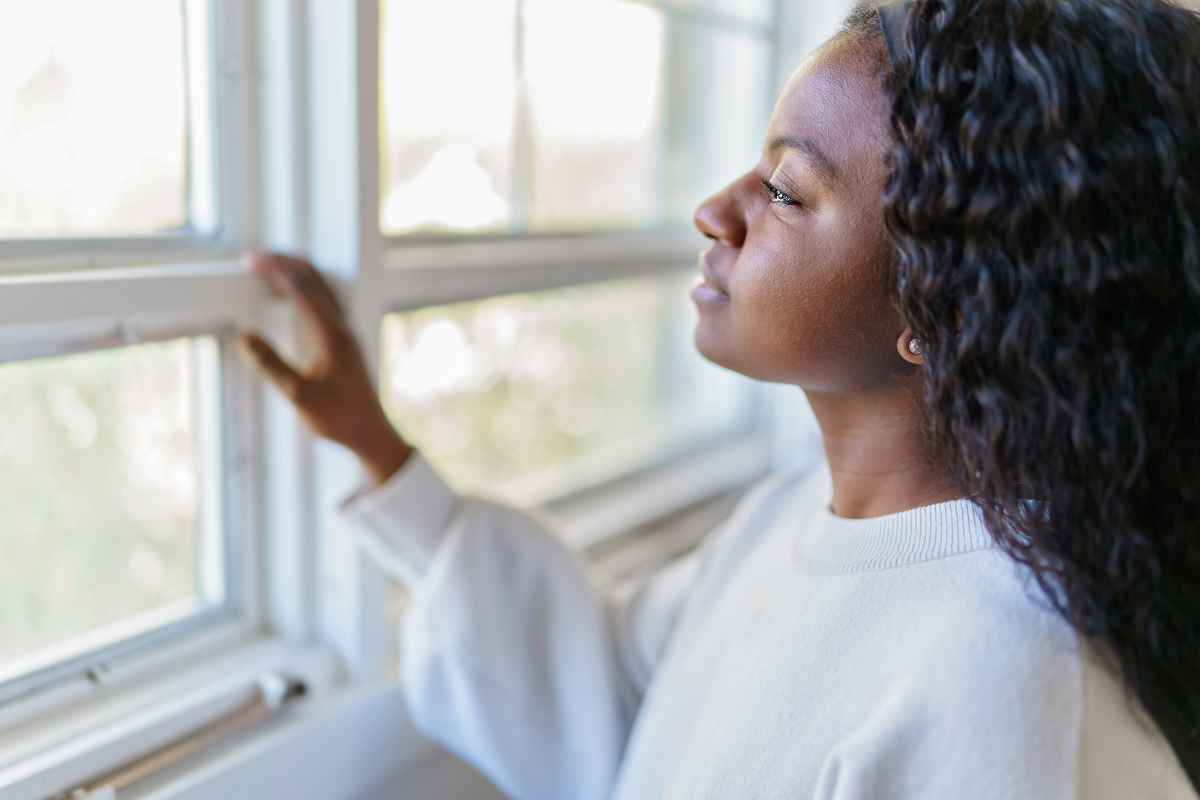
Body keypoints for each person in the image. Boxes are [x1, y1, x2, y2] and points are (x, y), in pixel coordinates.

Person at [236, 0, 1200, 797]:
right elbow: (612, 713)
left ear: (943, 301)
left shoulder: (1014, 688)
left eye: (784, 188)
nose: (715, 210)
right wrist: (381, 453)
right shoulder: (783, 521)